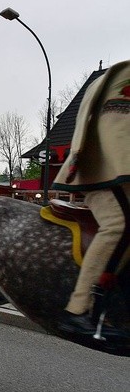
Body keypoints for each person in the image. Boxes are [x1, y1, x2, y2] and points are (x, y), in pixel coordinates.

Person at [53, 59, 130, 340]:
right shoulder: (124, 77)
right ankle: (79, 309)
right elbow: (116, 132)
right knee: (119, 224)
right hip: (106, 171)